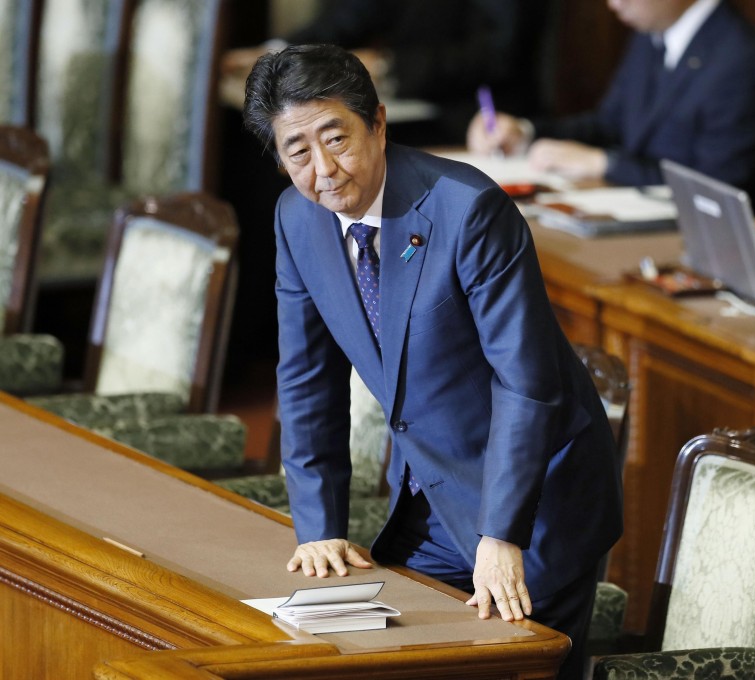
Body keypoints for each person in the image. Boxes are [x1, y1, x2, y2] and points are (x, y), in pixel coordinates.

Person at [242, 44, 624, 680]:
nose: (324, 170)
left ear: (379, 124)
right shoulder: (296, 219)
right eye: (297, 151)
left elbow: (526, 384)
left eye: (336, 138)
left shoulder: (467, 209)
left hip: (534, 502)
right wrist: (318, 526)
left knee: (503, 667)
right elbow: (307, 378)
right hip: (430, 500)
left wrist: (503, 536)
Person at [467, 0, 755, 218]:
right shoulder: (653, 34)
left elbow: (716, 188)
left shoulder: (738, 58)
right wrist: (524, 133)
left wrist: (604, 164)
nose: (614, 4)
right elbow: (610, 123)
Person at [224, 0, 549, 144]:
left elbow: (498, 52)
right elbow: (352, 14)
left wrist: (388, 66)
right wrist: (277, 51)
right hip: (412, 104)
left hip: (476, 119)